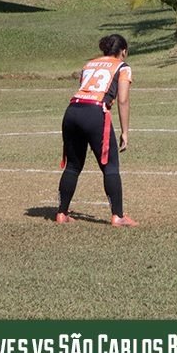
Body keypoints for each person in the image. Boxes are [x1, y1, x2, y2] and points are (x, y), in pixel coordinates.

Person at [56, 34, 137, 227]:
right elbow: (123, 100)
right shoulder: (122, 66)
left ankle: (62, 213)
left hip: (72, 110)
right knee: (110, 167)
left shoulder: (89, 65)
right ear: (123, 51)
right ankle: (118, 216)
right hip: (95, 113)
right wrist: (125, 131)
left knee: (73, 166)